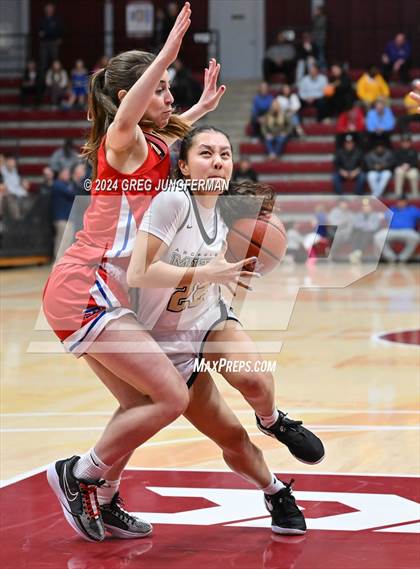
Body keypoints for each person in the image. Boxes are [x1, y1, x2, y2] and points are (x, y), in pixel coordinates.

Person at [42, 3, 230, 543]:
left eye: (170, 87)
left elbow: (172, 134)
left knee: (138, 404)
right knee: (171, 398)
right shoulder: (119, 141)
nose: (168, 96)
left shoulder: (148, 146)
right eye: (162, 87)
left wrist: (200, 106)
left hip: (99, 288)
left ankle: (104, 492)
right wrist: (167, 49)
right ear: (129, 97)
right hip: (85, 286)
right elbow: (133, 117)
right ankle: (78, 474)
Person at [128, 126, 324, 535]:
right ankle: (275, 492)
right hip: (162, 342)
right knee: (232, 439)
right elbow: (141, 272)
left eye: (225, 153)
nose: (217, 160)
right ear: (182, 165)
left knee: (252, 375)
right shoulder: (171, 203)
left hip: (208, 321)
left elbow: (263, 219)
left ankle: (272, 420)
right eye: (205, 153)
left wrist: (255, 249)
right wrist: (206, 270)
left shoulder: (229, 211)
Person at [51, 167, 76, 259]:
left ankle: (63, 260)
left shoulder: (66, 184)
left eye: (68, 173)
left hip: (67, 217)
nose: (67, 175)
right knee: (62, 241)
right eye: (65, 173)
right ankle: (59, 261)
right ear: (60, 174)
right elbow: (72, 194)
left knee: (67, 240)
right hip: (61, 218)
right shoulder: (58, 184)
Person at [38, 2, 63, 73]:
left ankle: (57, 77)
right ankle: (43, 80)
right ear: (45, 10)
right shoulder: (42, 20)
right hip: (44, 43)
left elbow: (60, 30)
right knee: (43, 62)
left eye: (50, 9)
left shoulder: (57, 19)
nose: (49, 10)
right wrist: (46, 32)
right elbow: (40, 32)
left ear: (53, 10)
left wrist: (59, 38)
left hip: (54, 42)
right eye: (48, 9)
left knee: (55, 61)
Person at [311, 5, 327, 69]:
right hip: (315, 38)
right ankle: (319, 67)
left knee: (321, 53)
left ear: (320, 11)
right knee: (317, 54)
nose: (316, 12)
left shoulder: (323, 18)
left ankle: (323, 67)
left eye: (317, 10)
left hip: (320, 38)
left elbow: (318, 26)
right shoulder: (316, 18)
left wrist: (316, 16)